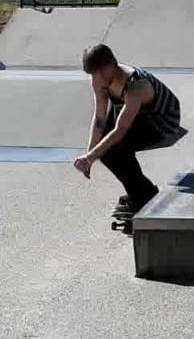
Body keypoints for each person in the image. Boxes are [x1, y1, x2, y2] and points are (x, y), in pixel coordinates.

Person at [74, 44, 187, 215]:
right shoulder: (98, 80)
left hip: (162, 121)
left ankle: (143, 195)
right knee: (105, 146)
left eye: (101, 73)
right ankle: (141, 192)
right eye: (93, 74)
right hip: (136, 114)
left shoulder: (136, 85)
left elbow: (120, 130)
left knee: (113, 148)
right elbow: (99, 120)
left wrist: (90, 157)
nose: (98, 79)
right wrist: (89, 154)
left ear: (112, 64)